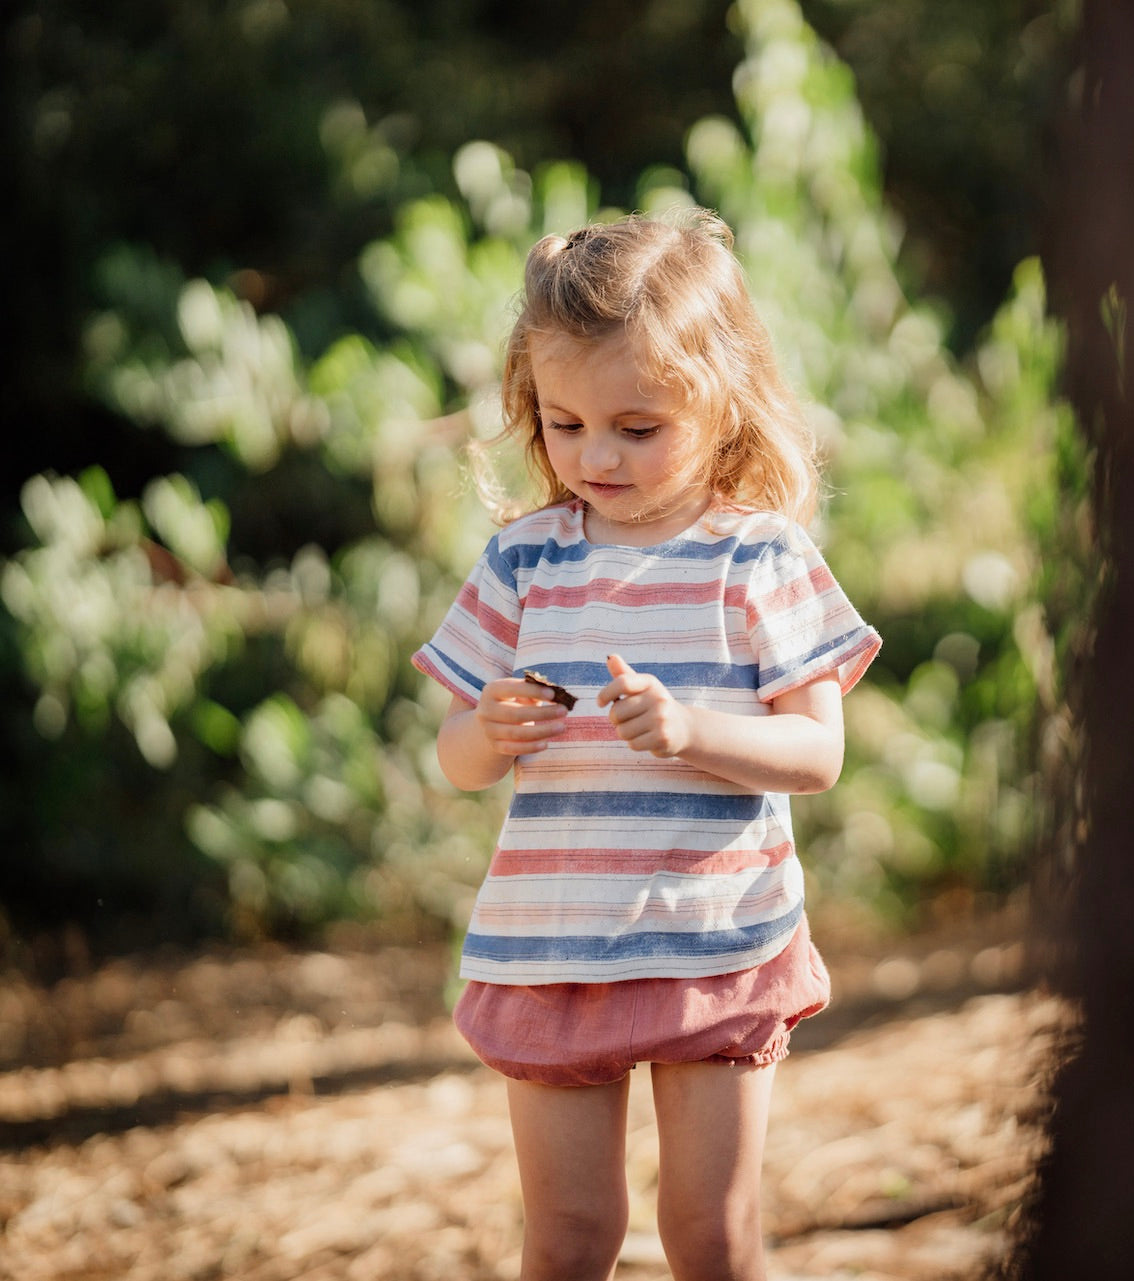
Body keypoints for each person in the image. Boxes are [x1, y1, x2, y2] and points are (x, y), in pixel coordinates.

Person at [413, 208, 880, 1281]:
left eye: (636, 426)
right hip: (553, 944)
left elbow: (818, 754)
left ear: (722, 404)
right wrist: (485, 730)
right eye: (564, 424)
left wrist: (693, 732)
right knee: (568, 1239)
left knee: (711, 1236)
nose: (593, 455)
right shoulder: (525, 562)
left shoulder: (758, 556)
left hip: (715, 940)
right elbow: (456, 759)